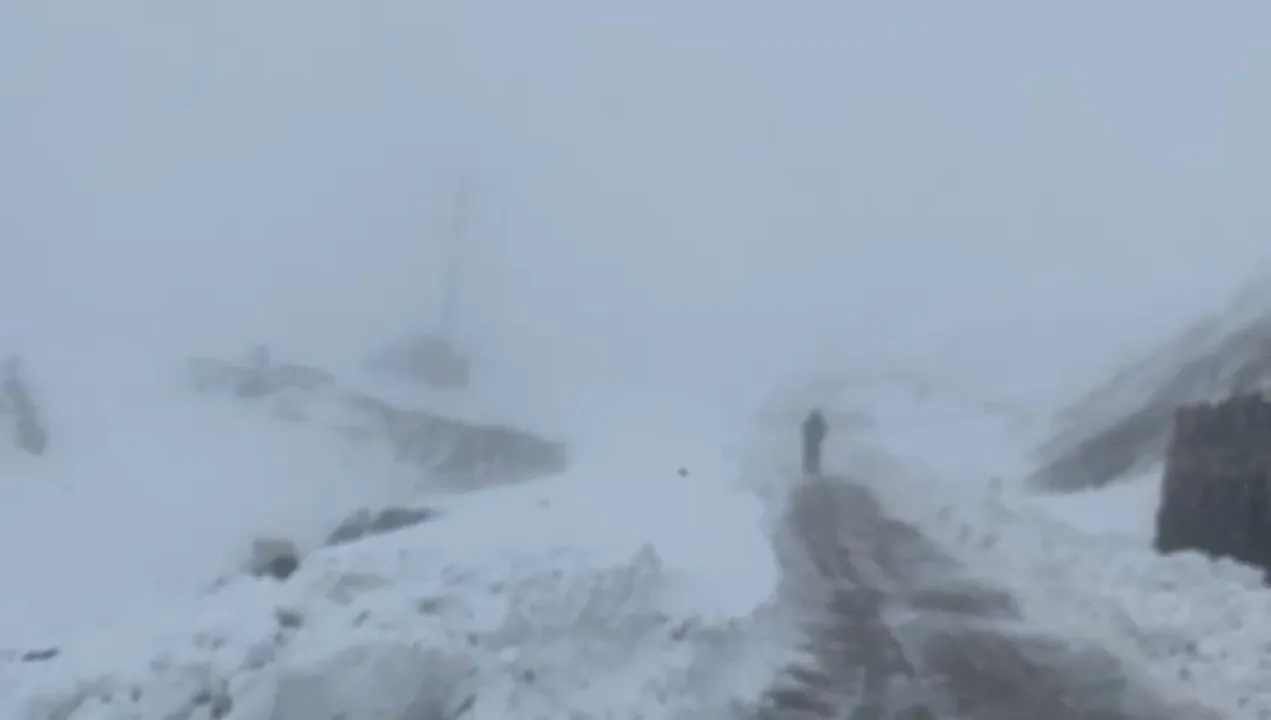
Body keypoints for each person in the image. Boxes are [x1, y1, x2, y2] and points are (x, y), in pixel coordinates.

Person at [801, 408, 827, 475]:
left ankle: (810, 469)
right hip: (812, 443)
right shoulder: (815, 423)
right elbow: (823, 430)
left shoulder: (809, 423)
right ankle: (811, 469)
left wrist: (818, 439)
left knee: (812, 456)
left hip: (812, 443)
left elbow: (823, 430)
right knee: (813, 456)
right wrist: (819, 439)